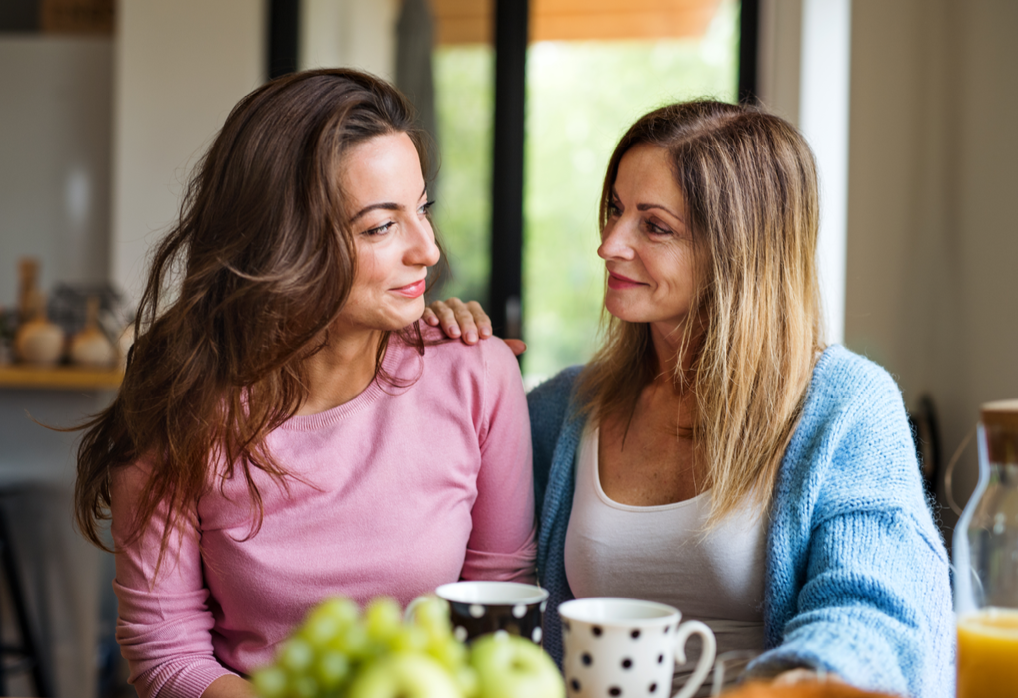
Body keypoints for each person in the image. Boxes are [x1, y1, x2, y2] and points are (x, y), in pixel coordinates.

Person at [425, 101, 952, 697]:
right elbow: (431, 517)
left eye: (654, 226)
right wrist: (433, 361)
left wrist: (792, 684)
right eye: (615, 210)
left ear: (740, 249)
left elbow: (873, 613)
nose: (609, 245)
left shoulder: (846, 406)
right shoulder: (567, 408)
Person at [73, 69, 536, 698]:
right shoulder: (176, 401)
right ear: (283, 240)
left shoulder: (476, 373)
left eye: (422, 209)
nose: (428, 250)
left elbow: (499, 604)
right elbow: (167, 652)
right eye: (381, 227)